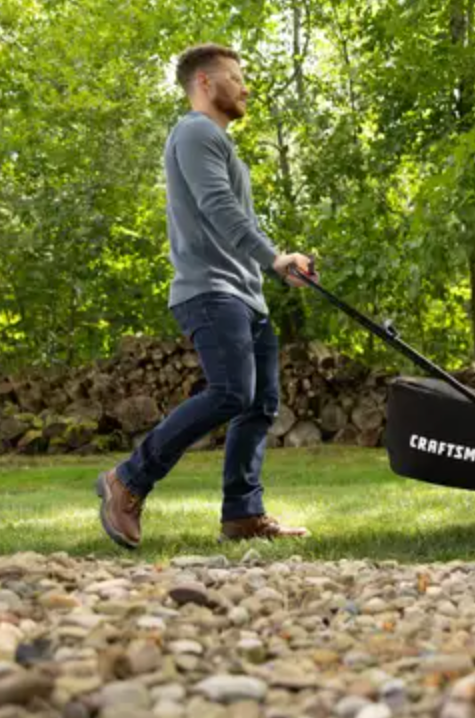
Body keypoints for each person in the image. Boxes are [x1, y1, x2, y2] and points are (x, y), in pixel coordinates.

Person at [95, 43, 314, 550]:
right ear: (205, 83)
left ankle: (243, 514)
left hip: (244, 294)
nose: (245, 87)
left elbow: (233, 216)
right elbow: (217, 205)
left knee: (259, 403)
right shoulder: (195, 132)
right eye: (235, 77)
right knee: (232, 392)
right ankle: (128, 479)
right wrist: (273, 257)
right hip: (211, 289)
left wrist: (275, 267)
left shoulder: (218, 143)